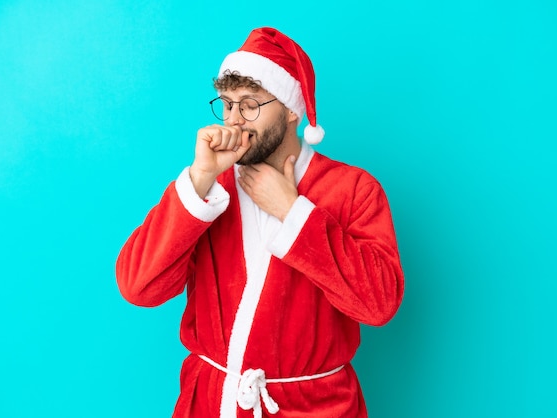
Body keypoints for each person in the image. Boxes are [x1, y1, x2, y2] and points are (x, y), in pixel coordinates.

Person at [116, 27, 404, 418]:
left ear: (289, 110)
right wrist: (197, 179)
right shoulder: (210, 187)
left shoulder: (353, 190)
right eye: (227, 104)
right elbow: (138, 287)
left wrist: (293, 212)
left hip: (315, 408)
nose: (234, 121)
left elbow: (379, 305)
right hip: (211, 403)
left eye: (250, 105)